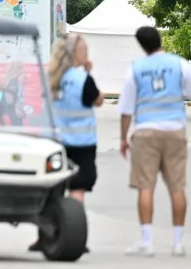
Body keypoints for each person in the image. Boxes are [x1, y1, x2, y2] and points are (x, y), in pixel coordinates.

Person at [119, 26, 191, 257]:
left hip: (146, 131)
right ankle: (178, 243)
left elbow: (126, 108)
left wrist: (123, 138)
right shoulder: (180, 64)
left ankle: (147, 241)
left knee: (145, 186)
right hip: (175, 129)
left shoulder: (136, 69)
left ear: (141, 45)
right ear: (160, 39)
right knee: (177, 187)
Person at [30, 33, 103, 252]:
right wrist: (88, 72)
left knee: (51, 190)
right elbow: (98, 101)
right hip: (81, 144)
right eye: (85, 51)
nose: (87, 54)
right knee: (77, 190)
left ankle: (44, 236)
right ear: (76, 54)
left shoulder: (50, 77)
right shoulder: (82, 79)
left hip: (54, 142)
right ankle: (75, 237)